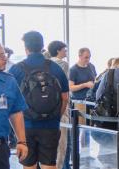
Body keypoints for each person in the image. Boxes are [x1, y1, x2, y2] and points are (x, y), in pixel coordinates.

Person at [9, 31, 70, 169]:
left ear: (26, 48)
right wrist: (56, 117)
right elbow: (65, 97)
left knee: (29, 165)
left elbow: (9, 100)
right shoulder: (55, 68)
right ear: (43, 46)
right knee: (49, 164)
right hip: (51, 125)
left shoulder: (17, 69)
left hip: (26, 126)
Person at [46, 40, 70, 169]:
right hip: (60, 107)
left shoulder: (46, 63)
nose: (65, 52)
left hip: (46, 107)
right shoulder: (63, 64)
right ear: (57, 50)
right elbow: (65, 90)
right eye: (64, 50)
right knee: (62, 145)